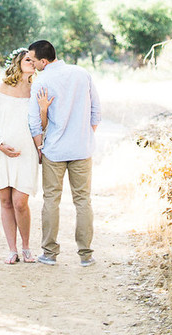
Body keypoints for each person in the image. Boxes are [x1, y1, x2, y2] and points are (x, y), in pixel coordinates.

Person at [28, 39, 101, 267]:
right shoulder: (82, 73)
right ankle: (86, 255)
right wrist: (85, 135)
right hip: (81, 148)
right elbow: (96, 112)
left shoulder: (42, 81)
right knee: (83, 201)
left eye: (32, 60)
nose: (31, 64)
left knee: (51, 200)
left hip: (55, 150)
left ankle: (49, 253)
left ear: (43, 60)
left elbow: (34, 122)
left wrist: (40, 147)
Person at [0, 48, 52, 264]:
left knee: (20, 202)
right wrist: (0, 145)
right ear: (17, 62)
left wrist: (43, 110)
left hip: (26, 152)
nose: (32, 63)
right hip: (1, 152)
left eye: (33, 60)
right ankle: (12, 250)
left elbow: (41, 127)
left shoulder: (37, 90)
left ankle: (26, 247)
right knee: (5, 201)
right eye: (27, 60)